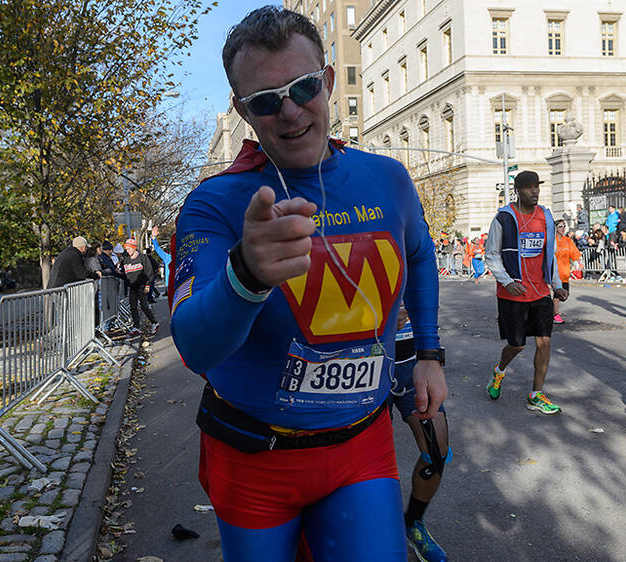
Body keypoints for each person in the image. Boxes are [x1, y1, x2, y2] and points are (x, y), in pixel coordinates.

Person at [169, 7, 446, 561]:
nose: (290, 111)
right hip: (253, 458)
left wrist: (430, 353)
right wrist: (244, 276)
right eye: (266, 101)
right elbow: (194, 344)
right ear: (244, 111)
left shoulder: (387, 178)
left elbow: (420, 255)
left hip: (359, 448)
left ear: (328, 80)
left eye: (302, 87)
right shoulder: (215, 204)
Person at [485, 170, 568, 414]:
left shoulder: (545, 217)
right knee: (517, 345)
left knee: (544, 342)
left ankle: (536, 395)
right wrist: (507, 281)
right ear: (518, 191)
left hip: (540, 292)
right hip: (512, 294)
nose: (535, 191)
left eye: (537, 187)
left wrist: (557, 285)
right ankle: (499, 371)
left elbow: (549, 255)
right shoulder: (504, 218)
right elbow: (491, 255)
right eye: (529, 187)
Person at [390, 307, 450, 562]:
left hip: (411, 362)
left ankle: (412, 523)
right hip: (360, 360)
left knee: (436, 449)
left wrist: (431, 356)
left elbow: (427, 298)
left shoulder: (417, 264)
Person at [121, 238, 159, 336]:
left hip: (142, 286)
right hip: (132, 286)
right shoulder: (126, 260)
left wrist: (147, 285)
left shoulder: (143, 258)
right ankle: (136, 326)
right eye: (126, 249)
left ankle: (154, 322)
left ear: (134, 248)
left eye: (129, 249)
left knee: (144, 306)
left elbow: (149, 272)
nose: (127, 251)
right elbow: (124, 274)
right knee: (133, 307)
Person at [552, 219, 581, 324]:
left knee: (565, 295)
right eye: (560, 226)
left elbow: (575, 254)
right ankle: (555, 315)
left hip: (565, 273)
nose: (562, 228)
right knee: (557, 295)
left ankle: (551, 312)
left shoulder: (568, 241)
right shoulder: (552, 240)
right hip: (554, 273)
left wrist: (579, 263)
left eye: (564, 226)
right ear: (555, 228)